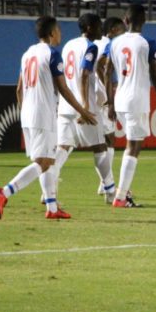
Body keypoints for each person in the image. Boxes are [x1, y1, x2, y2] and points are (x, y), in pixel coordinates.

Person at [0, 16, 96, 220]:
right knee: (45, 162)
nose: (60, 34)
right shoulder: (52, 54)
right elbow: (63, 89)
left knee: (45, 160)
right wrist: (83, 111)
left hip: (28, 114)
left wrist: (25, 112)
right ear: (51, 33)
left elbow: (19, 89)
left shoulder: (27, 54)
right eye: (58, 30)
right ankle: (6, 192)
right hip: (44, 115)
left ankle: (52, 208)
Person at [105, 4, 156, 208]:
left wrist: (110, 102)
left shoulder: (114, 42)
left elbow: (106, 72)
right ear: (145, 21)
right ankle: (121, 196)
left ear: (125, 20)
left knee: (130, 145)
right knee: (134, 147)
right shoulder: (148, 43)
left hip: (120, 100)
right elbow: (155, 73)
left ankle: (124, 192)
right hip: (137, 100)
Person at [52, 14, 116, 204]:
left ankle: (49, 191)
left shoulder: (68, 45)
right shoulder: (91, 47)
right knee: (100, 147)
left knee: (63, 148)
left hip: (66, 105)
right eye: (98, 26)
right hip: (83, 107)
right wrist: (85, 106)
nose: (101, 29)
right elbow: (85, 74)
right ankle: (110, 191)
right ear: (89, 28)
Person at [94, 17, 127, 198]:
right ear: (113, 29)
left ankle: (105, 184)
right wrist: (108, 90)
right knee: (109, 140)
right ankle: (106, 184)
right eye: (122, 30)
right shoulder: (109, 44)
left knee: (101, 142)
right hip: (103, 98)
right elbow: (101, 66)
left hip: (90, 96)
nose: (124, 34)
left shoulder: (94, 43)